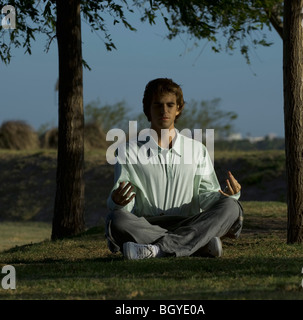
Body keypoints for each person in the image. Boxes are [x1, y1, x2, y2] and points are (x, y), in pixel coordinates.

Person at [105, 78, 244, 260]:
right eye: (158, 105)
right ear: (147, 109)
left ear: (178, 108)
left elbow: (206, 196)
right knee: (116, 219)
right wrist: (118, 202)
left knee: (232, 207)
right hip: (148, 225)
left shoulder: (197, 150)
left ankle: (155, 250)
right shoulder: (127, 151)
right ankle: (199, 246)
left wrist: (226, 195)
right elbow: (125, 203)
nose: (164, 110)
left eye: (170, 105)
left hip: (189, 223)